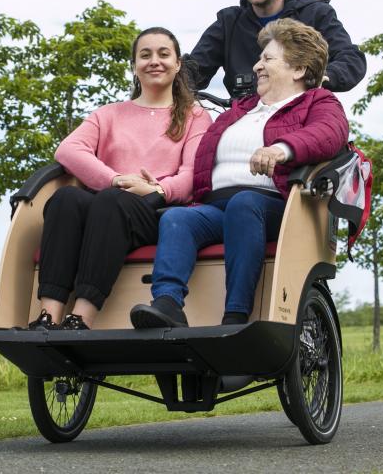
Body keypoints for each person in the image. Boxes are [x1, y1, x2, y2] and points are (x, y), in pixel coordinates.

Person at [131, 18, 349, 329]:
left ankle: (236, 315)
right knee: (177, 219)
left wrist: (281, 149)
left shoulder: (318, 101)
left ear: (299, 70)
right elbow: (199, 161)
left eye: (268, 59)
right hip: (217, 206)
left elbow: (329, 133)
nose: (258, 66)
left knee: (244, 204)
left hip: (275, 206)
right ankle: (167, 304)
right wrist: (161, 182)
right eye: (260, 58)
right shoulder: (240, 110)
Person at [29, 27, 213, 331]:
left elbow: (193, 174)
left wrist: (156, 188)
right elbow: (68, 149)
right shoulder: (109, 114)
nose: (155, 61)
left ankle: (82, 317)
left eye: (164, 54)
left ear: (178, 64)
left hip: (156, 211)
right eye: (145, 55)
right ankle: (49, 315)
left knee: (110, 203)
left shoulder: (194, 115)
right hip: (109, 201)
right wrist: (115, 179)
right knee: (65, 199)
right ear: (134, 66)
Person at [189, 0, 366, 95]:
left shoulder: (315, 13)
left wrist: (320, 78)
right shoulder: (228, 23)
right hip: (245, 116)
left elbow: (350, 59)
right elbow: (193, 70)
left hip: (302, 115)